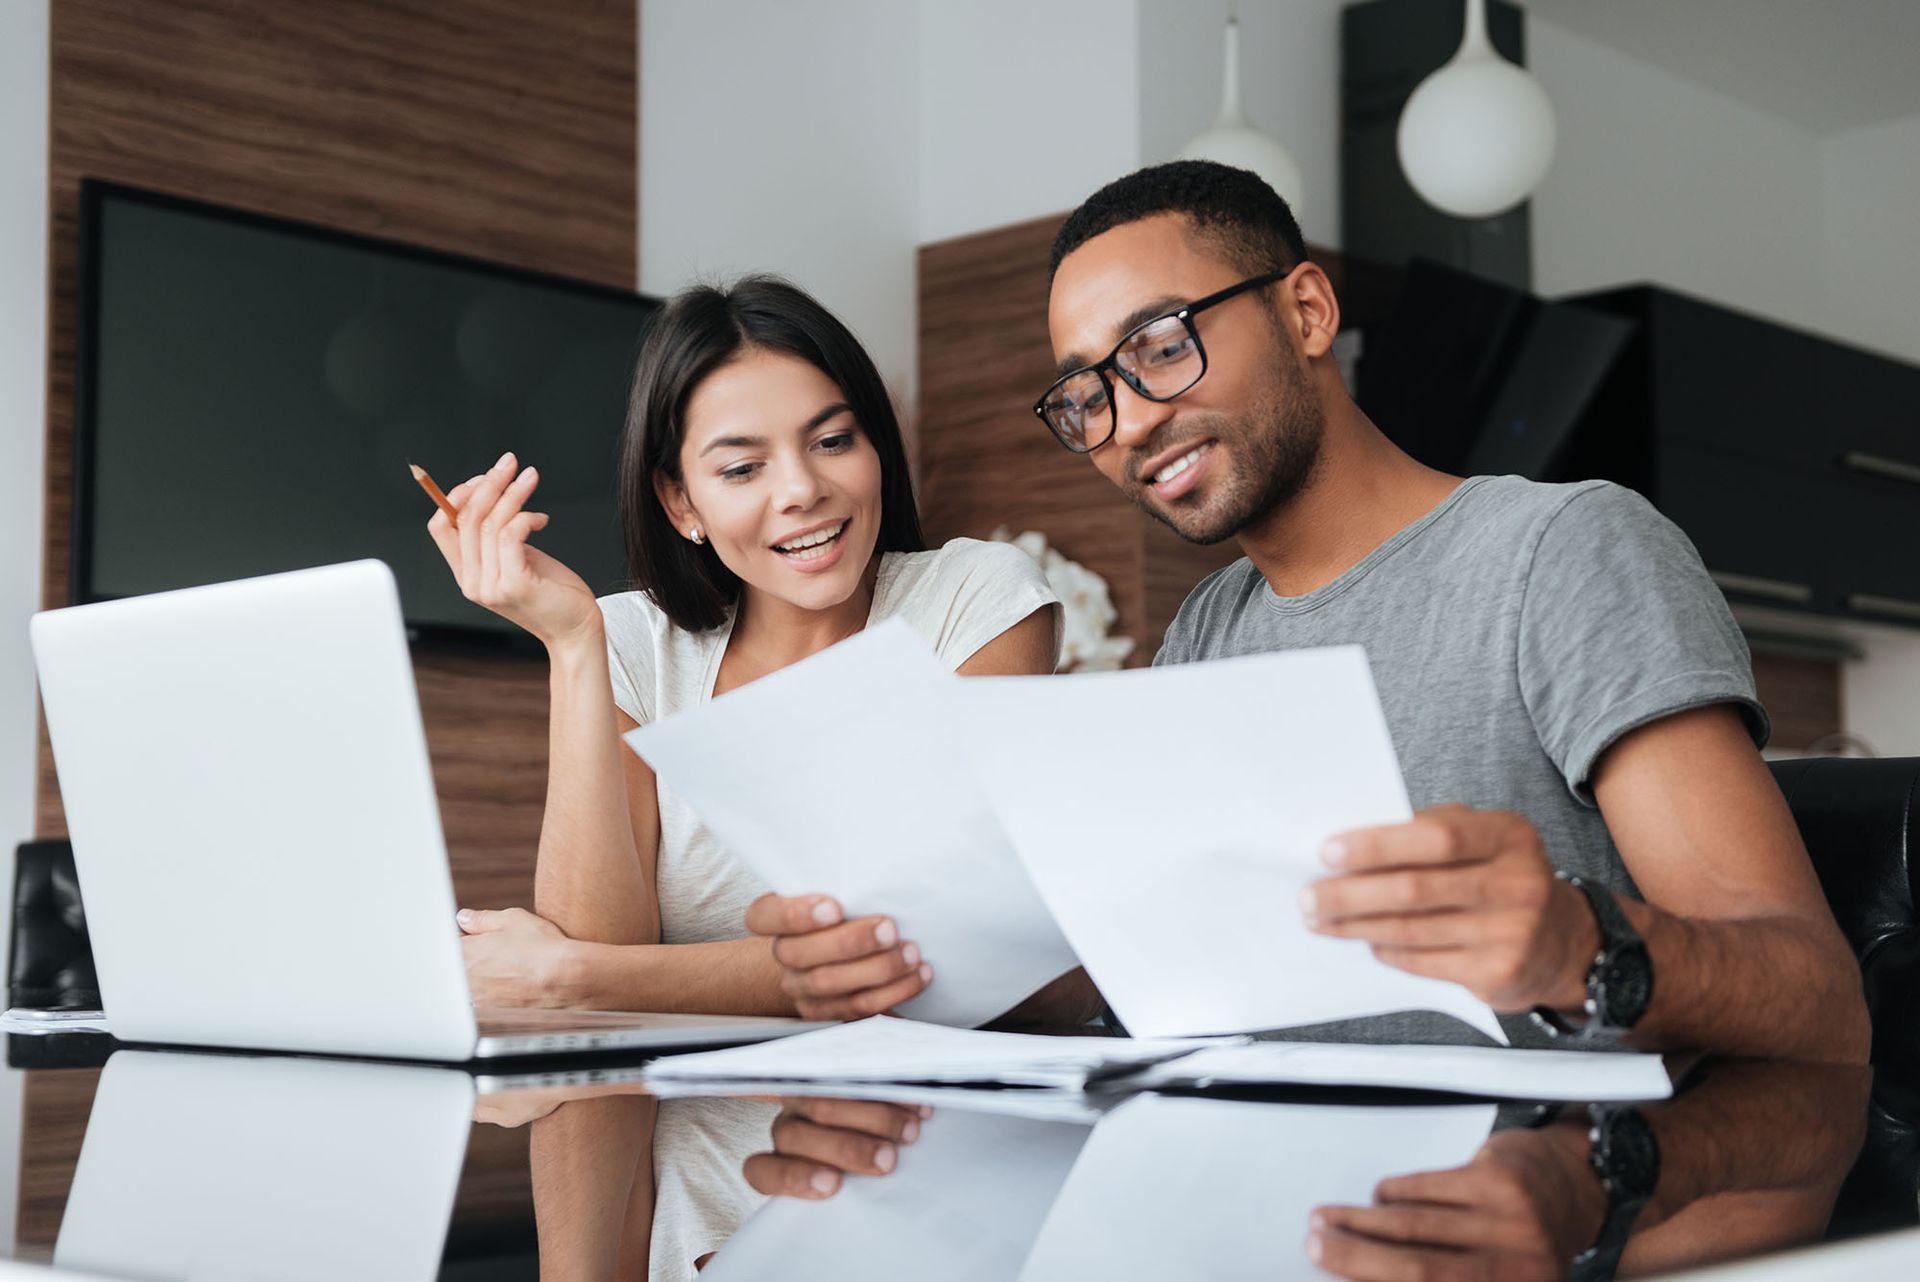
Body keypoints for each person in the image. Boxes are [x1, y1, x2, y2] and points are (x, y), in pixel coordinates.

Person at [748, 162, 1869, 1064]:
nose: (1128, 422)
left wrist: (1583, 944)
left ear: (1308, 309)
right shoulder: (1206, 629)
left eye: (1159, 347)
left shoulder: (1563, 550)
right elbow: (1159, 979)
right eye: (1087, 395)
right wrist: (905, 962)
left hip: (1549, 1201)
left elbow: (1816, 997)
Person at [425, 274, 1063, 1280]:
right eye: (741, 466)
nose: (802, 489)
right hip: (696, 1227)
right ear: (680, 501)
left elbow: (906, 962)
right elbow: (601, 1037)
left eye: (831, 439)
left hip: (930, 1207)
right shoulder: (632, 642)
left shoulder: (977, 603)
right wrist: (572, 644)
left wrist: (568, 976)